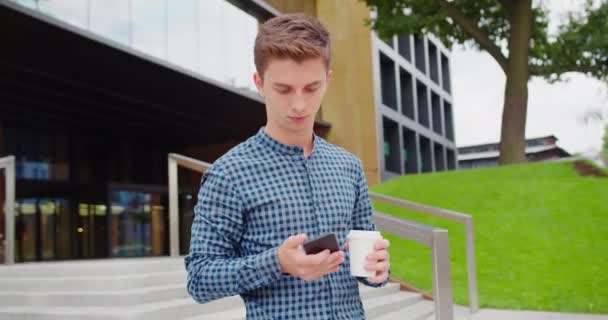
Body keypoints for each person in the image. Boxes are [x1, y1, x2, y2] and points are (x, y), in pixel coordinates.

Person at [185, 13, 391, 319]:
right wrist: (277, 262)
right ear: (259, 83)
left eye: (311, 88)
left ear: (328, 81)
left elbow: (366, 260)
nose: (299, 104)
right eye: (284, 89)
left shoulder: (349, 167)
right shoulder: (228, 174)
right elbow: (200, 279)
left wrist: (377, 269)